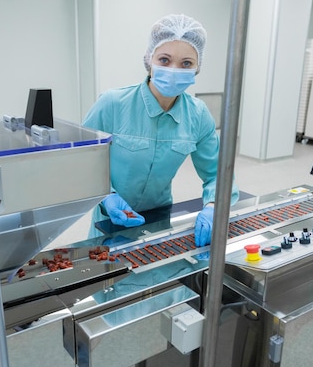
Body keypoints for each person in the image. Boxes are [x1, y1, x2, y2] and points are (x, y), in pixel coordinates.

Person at [83, 14, 239, 247]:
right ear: (149, 59)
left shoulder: (197, 115)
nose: (174, 70)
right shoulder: (112, 104)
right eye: (165, 60)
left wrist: (214, 207)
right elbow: (81, 165)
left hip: (159, 219)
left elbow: (217, 173)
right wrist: (107, 196)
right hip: (108, 220)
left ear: (197, 68)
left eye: (186, 63)